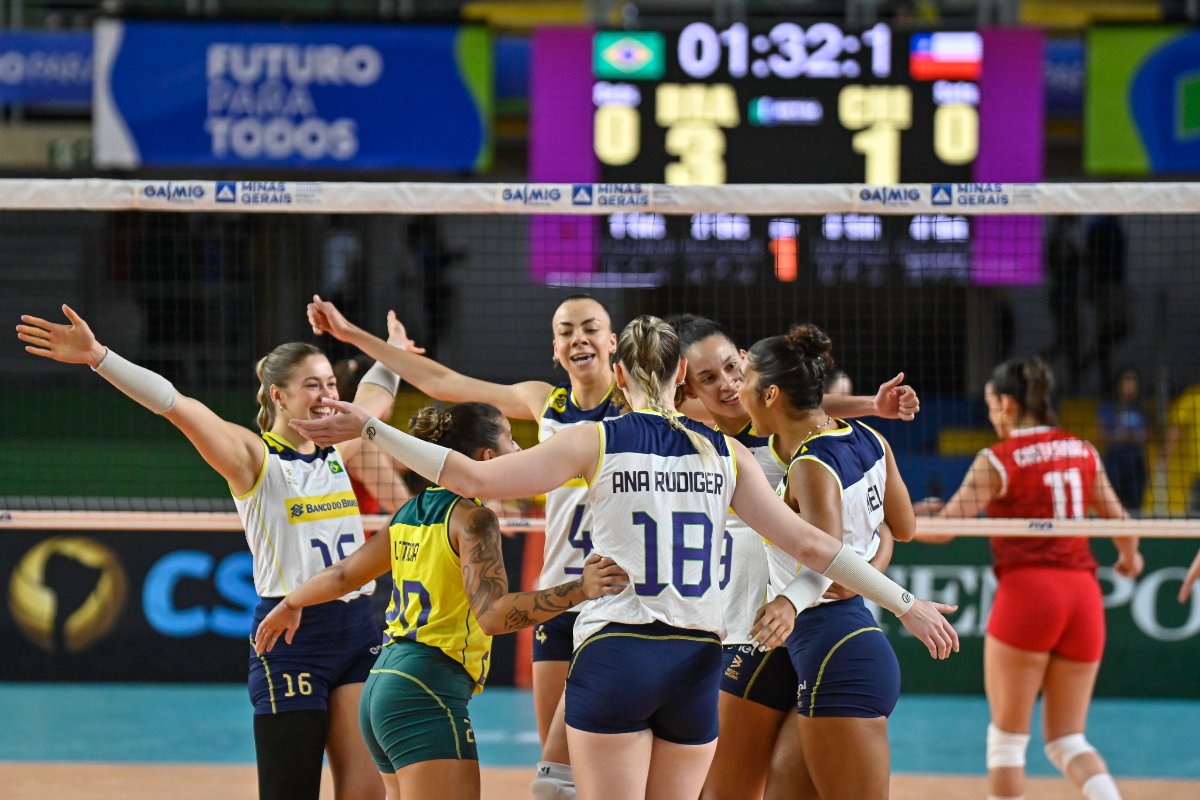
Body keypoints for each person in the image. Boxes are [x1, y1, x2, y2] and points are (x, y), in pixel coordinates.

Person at [291, 314, 960, 800]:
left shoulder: (594, 440)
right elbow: (819, 546)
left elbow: (475, 480)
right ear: (680, 377)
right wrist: (906, 602)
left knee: (559, 785)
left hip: (618, 652)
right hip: (699, 663)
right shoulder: (723, 451)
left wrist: (371, 426)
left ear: (619, 373)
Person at [16, 303, 418, 800]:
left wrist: (395, 352)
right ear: (279, 395)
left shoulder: (339, 450)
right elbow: (176, 405)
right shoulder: (253, 458)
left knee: (364, 794)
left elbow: (375, 399)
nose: (329, 395)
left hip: (358, 628)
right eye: (313, 385)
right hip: (293, 638)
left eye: (332, 385)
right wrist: (100, 356)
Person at [305, 292, 620, 798]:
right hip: (560, 601)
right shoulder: (547, 403)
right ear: (555, 349)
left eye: (589, 327)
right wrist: (352, 336)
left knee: (601, 773)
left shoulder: (643, 413)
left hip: (617, 598)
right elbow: (442, 383)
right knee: (555, 781)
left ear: (612, 341)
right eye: (565, 330)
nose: (577, 337)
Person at [252, 402, 628, 800]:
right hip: (426, 690)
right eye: (511, 441)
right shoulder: (473, 520)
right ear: (489, 459)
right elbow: (494, 616)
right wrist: (580, 589)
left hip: (382, 684)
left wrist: (291, 602)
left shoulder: (411, 512)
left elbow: (345, 574)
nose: (520, 451)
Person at [667, 314, 913, 800]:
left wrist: (859, 571)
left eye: (735, 369)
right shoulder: (698, 436)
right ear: (684, 389)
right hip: (744, 630)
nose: (731, 386)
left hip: (801, 624)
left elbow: (860, 541)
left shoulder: (802, 445)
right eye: (709, 378)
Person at [922, 357, 1143, 800]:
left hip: (1029, 596)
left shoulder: (997, 460)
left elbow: (945, 529)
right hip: (1083, 597)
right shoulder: (1083, 449)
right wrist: (1129, 559)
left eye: (989, 406)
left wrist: (897, 518)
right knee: (1067, 739)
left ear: (1007, 404)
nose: (989, 415)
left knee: (1007, 740)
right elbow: (1123, 523)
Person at [1096, 368, 1150, 514]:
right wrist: (1122, 436)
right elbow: (1102, 437)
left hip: (1136, 462)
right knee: (1112, 506)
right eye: (1126, 381)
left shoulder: (1141, 408)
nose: (1130, 385)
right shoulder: (1108, 408)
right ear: (1118, 384)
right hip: (1115, 461)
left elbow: (1146, 438)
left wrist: (1128, 436)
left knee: (1135, 506)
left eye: (1133, 381)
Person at [1164, 374, 1200, 516]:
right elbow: (1175, 429)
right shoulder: (1191, 397)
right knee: (1195, 520)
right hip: (1198, 474)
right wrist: (1164, 457)